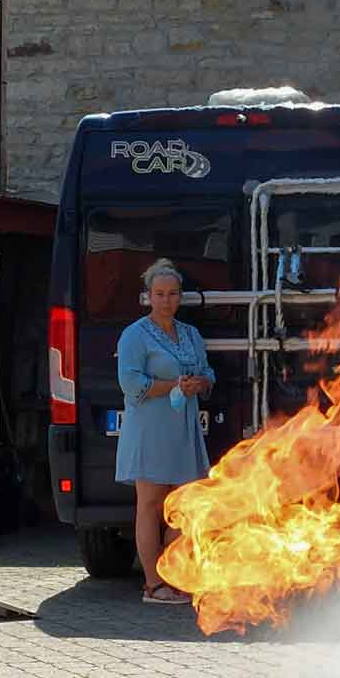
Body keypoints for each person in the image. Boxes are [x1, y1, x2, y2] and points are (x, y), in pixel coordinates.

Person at [115, 258, 215, 604]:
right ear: (148, 296)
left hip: (184, 429)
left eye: (172, 294)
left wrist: (200, 383)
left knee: (183, 506)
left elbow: (208, 372)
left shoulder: (191, 334)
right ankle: (153, 584)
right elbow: (130, 383)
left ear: (180, 296)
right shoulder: (134, 335)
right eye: (159, 294)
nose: (166, 300)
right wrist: (174, 385)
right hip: (150, 428)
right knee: (149, 504)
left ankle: (171, 577)